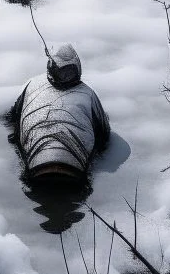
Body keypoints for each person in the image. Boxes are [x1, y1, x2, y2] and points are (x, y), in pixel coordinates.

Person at [9, 44, 110, 182]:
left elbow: (13, 117)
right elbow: (104, 134)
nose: (66, 76)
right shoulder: (89, 94)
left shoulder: (31, 84)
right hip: (75, 167)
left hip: (36, 165)